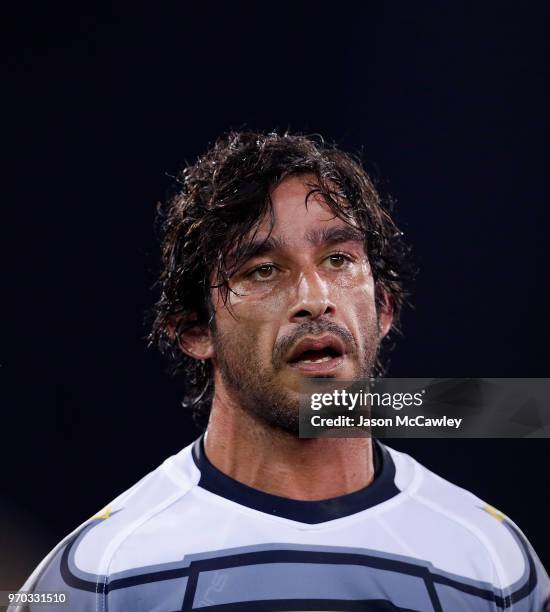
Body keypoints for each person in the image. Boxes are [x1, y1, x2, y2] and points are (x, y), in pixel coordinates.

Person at [14, 131, 549, 611]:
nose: (314, 299)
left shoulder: (496, 564)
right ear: (197, 331)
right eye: (264, 270)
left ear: (384, 308)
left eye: (339, 260)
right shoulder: (96, 577)